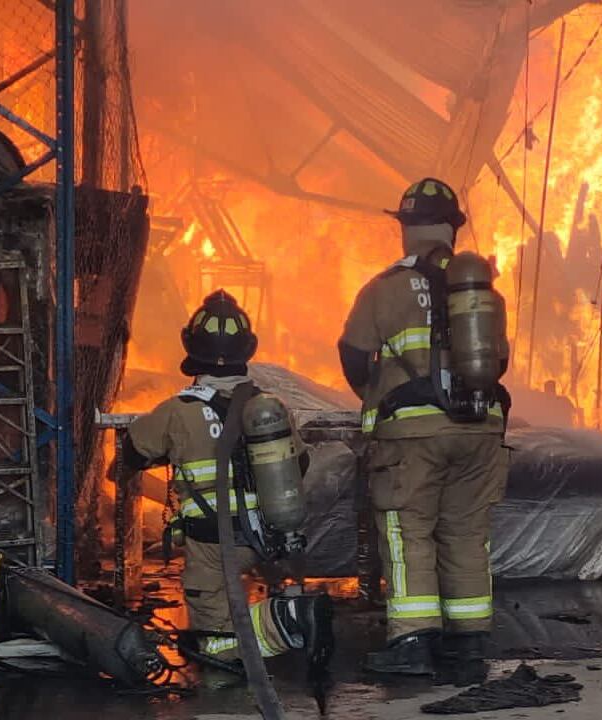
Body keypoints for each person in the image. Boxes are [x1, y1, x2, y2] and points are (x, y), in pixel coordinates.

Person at [338, 178, 510, 683]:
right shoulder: (483, 293)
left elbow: (352, 355)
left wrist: (382, 395)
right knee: (465, 533)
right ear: (453, 228)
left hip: (413, 435)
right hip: (481, 429)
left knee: (407, 529)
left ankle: (412, 643)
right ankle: (470, 643)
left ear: (406, 229)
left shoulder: (385, 288)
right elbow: (497, 360)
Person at [121, 290, 331, 671]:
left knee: (214, 644)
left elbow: (132, 453)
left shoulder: (177, 411)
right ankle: (286, 613)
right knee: (226, 616)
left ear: (191, 348)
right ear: (246, 351)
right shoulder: (267, 406)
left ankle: (290, 622)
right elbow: (298, 463)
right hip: (268, 537)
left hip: (211, 545)